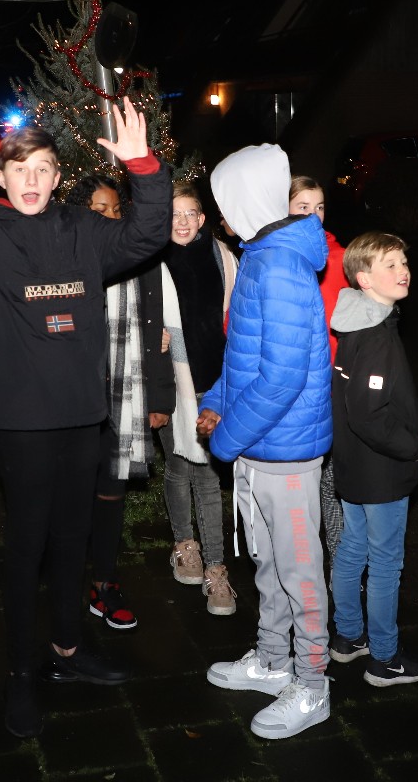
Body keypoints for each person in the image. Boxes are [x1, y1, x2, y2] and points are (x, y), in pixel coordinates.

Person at [0, 76, 171, 739]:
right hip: (20, 423)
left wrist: (144, 166)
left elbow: (148, 234)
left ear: (58, 176)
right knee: (27, 546)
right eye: (20, 169)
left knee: (73, 541)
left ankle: (68, 649)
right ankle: (20, 672)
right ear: (1, 176)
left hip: (82, 415)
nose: (33, 180)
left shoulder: (84, 232)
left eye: (44, 168)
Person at [197, 143, 334, 741]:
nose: (221, 214)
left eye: (225, 201)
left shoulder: (277, 266)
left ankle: (313, 685)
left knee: (300, 573)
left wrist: (227, 436)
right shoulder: (261, 256)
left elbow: (281, 378)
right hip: (262, 444)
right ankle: (275, 660)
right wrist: (215, 400)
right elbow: (246, 356)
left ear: (247, 200)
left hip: (286, 451)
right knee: (269, 563)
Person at [64, 173, 174, 631]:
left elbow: (156, 331)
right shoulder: (65, 257)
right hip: (73, 397)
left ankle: (104, 583)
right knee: (71, 498)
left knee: (110, 494)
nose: (110, 218)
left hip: (123, 395)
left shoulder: (138, 257)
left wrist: (159, 396)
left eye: (115, 210)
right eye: (99, 210)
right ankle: (66, 586)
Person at [327, 231, 418, 686]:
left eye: (403, 261)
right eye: (389, 264)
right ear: (364, 279)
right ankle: (385, 658)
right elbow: (368, 414)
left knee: (353, 546)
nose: (402, 270)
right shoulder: (376, 337)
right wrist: (413, 449)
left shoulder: (357, 321)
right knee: (386, 562)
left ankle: (348, 637)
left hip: (354, 464)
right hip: (380, 469)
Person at [157, 181, 239, 615]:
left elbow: (236, 315)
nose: (183, 221)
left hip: (213, 380)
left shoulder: (221, 257)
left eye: (190, 213)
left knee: (206, 472)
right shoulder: (152, 260)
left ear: (202, 218)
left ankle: (216, 568)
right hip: (171, 380)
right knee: (176, 465)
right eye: (174, 214)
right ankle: (184, 545)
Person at [289, 175, 347, 566]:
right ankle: (302, 565)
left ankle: (340, 570)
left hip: (333, 382)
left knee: (332, 482)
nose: (313, 215)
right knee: (300, 486)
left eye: (320, 207)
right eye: (303, 207)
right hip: (292, 387)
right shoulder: (273, 257)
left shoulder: (339, 258)